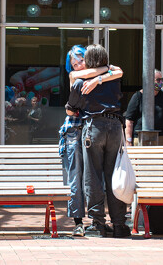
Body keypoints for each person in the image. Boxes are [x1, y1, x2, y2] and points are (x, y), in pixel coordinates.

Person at [58, 44, 123, 237]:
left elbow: (71, 108)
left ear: (89, 60)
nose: (78, 64)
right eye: (74, 62)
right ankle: (117, 222)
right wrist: (104, 73)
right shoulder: (104, 77)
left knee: (93, 177)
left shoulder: (85, 81)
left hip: (91, 128)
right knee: (105, 177)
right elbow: (117, 71)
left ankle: (98, 223)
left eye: (81, 59)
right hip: (104, 127)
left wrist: (98, 79)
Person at [124, 70, 163, 146]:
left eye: (162, 80)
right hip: (141, 138)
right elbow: (129, 120)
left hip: (161, 137)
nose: (160, 82)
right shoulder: (138, 96)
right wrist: (128, 140)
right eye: (158, 80)